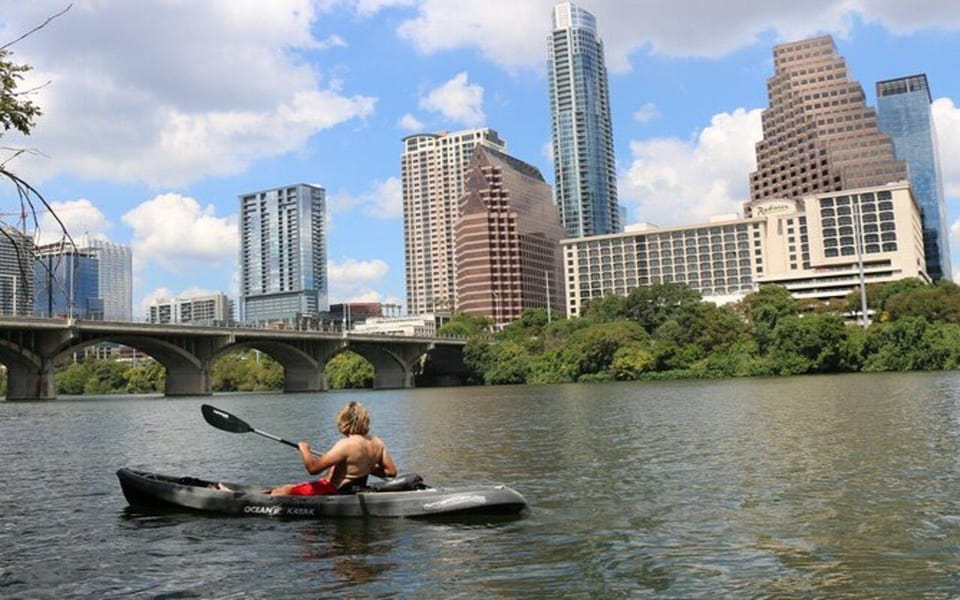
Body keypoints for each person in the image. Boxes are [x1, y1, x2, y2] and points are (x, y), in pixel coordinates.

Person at [265, 401, 397, 496]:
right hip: (355, 489)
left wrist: (304, 450)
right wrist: (366, 466)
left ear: (344, 422)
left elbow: (313, 468)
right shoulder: (377, 442)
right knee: (287, 487)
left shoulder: (345, 444)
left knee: (280, 492)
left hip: (334, 490)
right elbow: (391, 472)